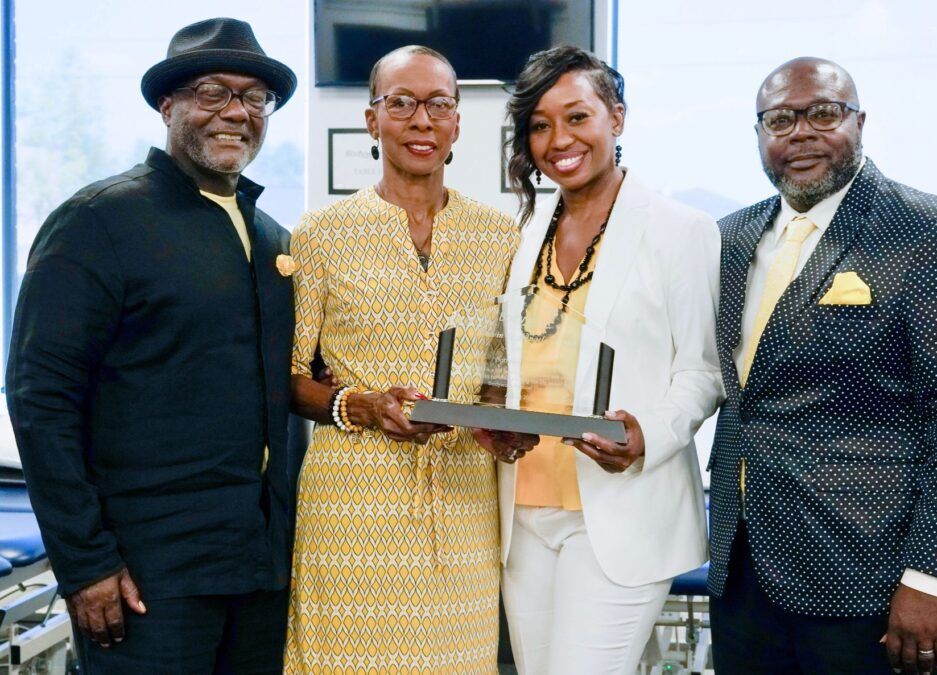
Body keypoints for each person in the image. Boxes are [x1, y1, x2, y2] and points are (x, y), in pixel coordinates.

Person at [5, 17, 299, 673]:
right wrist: (85, 563)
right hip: (145, 578)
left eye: (255, 98)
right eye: (213, 92)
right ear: (169, 105)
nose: (236, 111)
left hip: (258, 574)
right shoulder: (99, 221)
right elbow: (40, 397)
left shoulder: (274, 241)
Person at [709, 56, 937, 674]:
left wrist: (933, 576)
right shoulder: (730, 238)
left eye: (822, 113)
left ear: (860, 122)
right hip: (745, 576)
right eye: (778, 120)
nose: (800, 132)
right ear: (759, 135)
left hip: (877, 582)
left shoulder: (935, 233)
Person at [284, 45, 520, 672]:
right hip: (351, 506)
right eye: (403, 104)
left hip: (464, 500)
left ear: (457, 124)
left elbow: (498, 369)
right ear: (372, 120)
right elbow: (287, 377)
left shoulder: (499, 236)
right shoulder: (321, 234)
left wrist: (498, 421)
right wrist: (360, 405)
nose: (422, 120)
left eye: (439, 105)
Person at [490, 45, 722, 674]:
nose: (558, 139)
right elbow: (515, 356)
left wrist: (647, 435)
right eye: (539, 125)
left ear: (616, 118)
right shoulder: (526, 230)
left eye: (577, 117)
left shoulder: (681, 229)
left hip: (619, 513)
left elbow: (703, 370)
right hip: (524, 510)